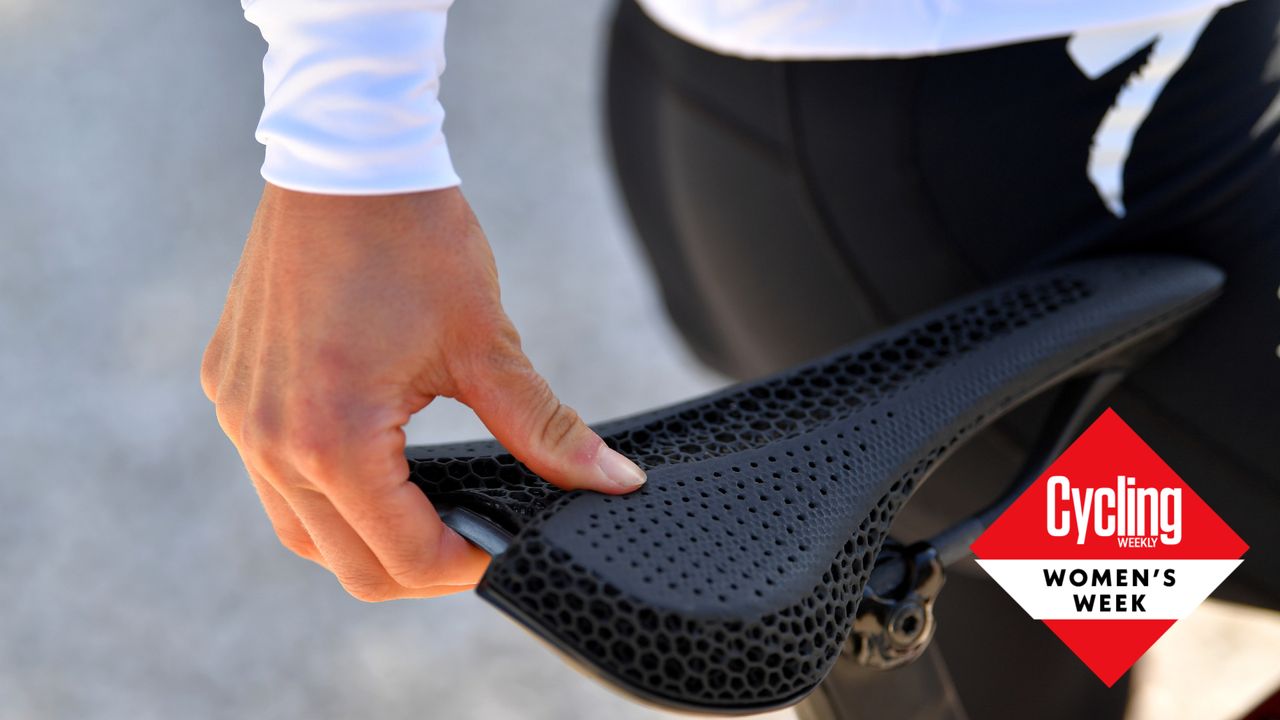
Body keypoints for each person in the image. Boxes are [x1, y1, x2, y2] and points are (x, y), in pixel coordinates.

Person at [204, 0, 1277, 622]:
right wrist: (346, 155)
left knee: (1052, 602)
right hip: (1014, 193)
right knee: (1055, 564)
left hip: (809, 147)